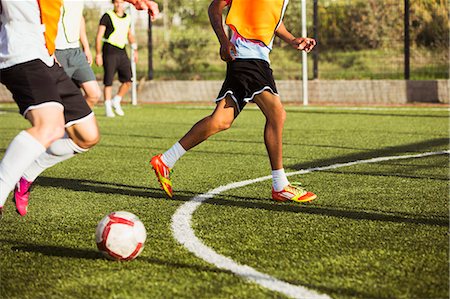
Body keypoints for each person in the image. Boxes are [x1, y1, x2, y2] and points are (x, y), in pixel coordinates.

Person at [0, 0, 159, 217]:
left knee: (87, 135)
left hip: (46, 56)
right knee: (50, 126)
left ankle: (26, 174)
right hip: (19, 53)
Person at [150, 0, 317, 203]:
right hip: (248, 57)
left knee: (221, 121)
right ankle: (280, 186)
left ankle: (165, 160)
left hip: (252, 57)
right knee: (277, 114)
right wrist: (223, 41)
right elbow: (215, 6)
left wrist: (292, 40)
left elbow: (271, 19)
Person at [55, 0, 101, 108]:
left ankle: (71, 122)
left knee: (94, 95)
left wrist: (86, 47)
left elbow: (79, 18)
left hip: (76, 51)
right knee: (59, 100)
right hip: (57, 51)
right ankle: (62, 123)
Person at [95, 0, 138, 118]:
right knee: (108, 80)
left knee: (128, 80)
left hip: (122, 50)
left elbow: (129, 35)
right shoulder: (107, 16)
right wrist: (98, 54)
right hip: (109, 50)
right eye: (116, 2)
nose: (119, 5)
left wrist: (134, 48)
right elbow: (99, 36)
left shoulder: (128, 18)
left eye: (121, 2)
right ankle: (107, 106)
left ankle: (116, 100)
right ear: (113, 3)